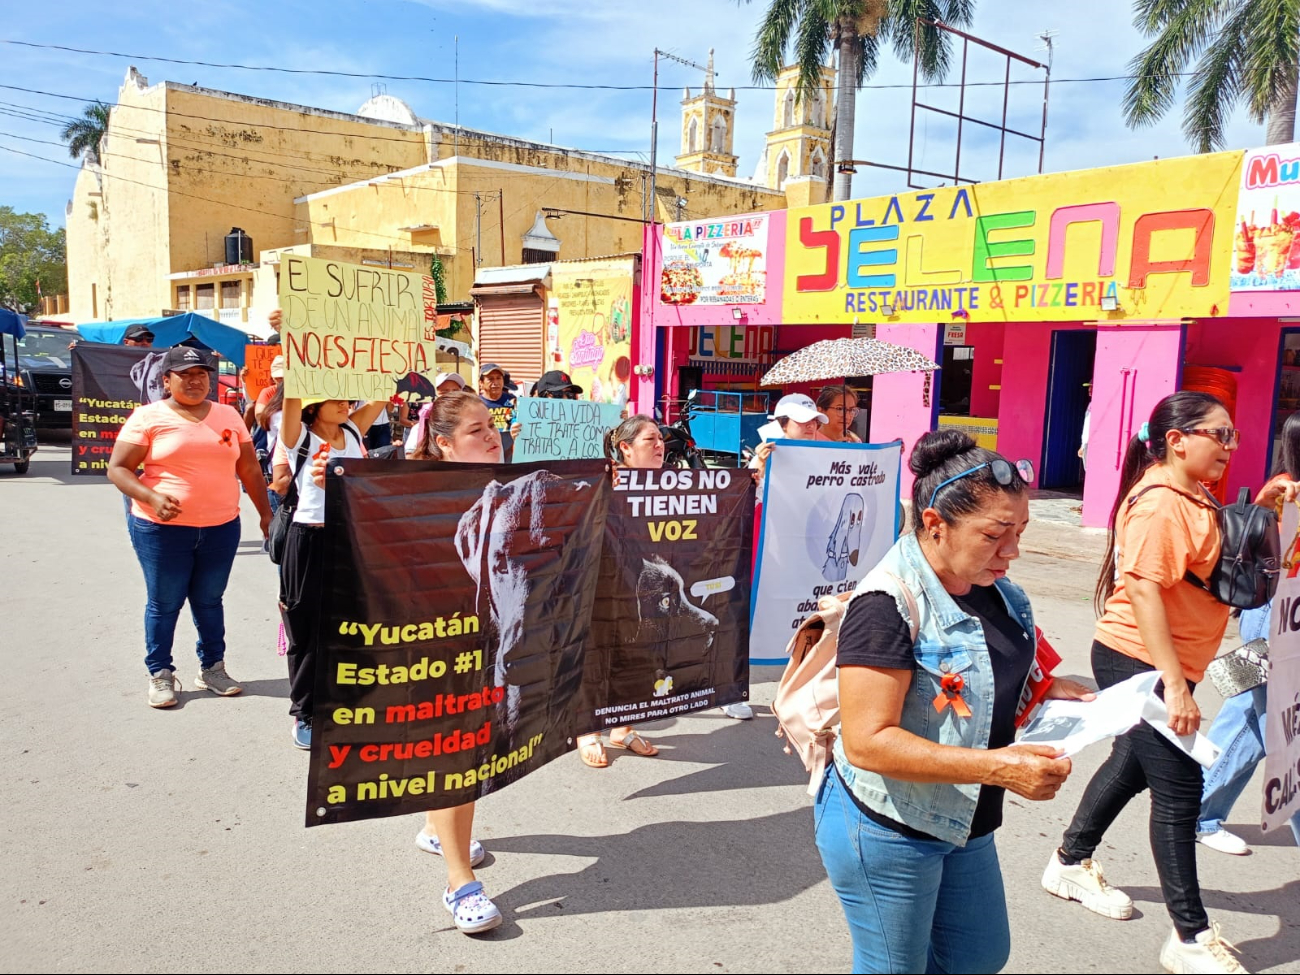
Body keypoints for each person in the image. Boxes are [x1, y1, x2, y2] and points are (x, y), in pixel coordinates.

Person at [817, 429, 1089, 974]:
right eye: (995, 534)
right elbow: (868, 743)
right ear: (935, 525)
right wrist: (998, 768)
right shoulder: (885, 605)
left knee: (978, 955)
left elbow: (1003, 673)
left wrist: (1049, 692)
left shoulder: (1000, 591)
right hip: (888, 825)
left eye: (1020, 531)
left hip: (965, 818)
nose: (1012, 551)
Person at [1043, 391, 1288, 975]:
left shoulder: (1191, 491)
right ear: (1177, 440)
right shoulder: (1158, 503)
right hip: (1141, 659)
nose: (1230, 446)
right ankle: (1189, 936)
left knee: (1131, 766)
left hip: (1173, 661)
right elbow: (1147, 590)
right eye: (1218, 435)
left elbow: (1211, 556)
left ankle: (1070, 862)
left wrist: (1263, 505)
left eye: (1232, 435)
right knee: (1179, 790)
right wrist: (1172, 686)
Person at [107, 346, 273, 708]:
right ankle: (161, 673)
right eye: (185, 374)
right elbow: (118, 468)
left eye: (202, 373)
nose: (195, 380)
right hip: (161, 530)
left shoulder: (228, 415)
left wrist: (265, 514)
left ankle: (212, 668)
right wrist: (150, 497)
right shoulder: (147, 417)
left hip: (221, 526)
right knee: (165, 603)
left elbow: (249, 470)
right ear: (167, 380)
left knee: (210, 601)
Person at [406, 390, 508, 934]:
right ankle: (459, 883)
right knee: (458, 758)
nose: (490, 434)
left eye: (490, 424)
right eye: (475, 430)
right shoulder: (414, 490)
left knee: (468, 750)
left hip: (485, 642)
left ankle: (433, 829)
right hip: (436, 646)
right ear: (443, 444)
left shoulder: (506, 484)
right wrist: (330, 483)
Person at [1197, 411, 1300, 855]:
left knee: (1247, 716)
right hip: (1276, 617)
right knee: (1279, 727)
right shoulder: (1284, 493)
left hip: (1272, 616)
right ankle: (1196, 814)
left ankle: (1194, 811)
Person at [279, 393, 389, 749]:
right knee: (307, 630)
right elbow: (292, 400)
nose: (346, 404)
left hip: (351, 538)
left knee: (352, 624)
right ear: (313, 405)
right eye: (336, 399)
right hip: (310, 538)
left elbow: (381, 390)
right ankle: (307, 712)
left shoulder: (354, 432)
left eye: (347, 398)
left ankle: (346, 704)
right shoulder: (300, 437)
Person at [575, 414, 665, 768]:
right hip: (604, 584)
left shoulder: (678, 481)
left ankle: (623, 727)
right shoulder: (603, 480)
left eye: (661, 439)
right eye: (650, 440)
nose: (659, 446)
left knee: (639, 653)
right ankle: (589, 730)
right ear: (625, 448)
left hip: (645, 586)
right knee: (598, 653)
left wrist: (752, 475)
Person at [479, 362, 518, 462]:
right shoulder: (476, 404)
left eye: (498, 378)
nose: (495, 382)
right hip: (486, 457)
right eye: (490, 379)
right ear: (481, 383)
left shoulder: (513, 401)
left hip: (511, 459)